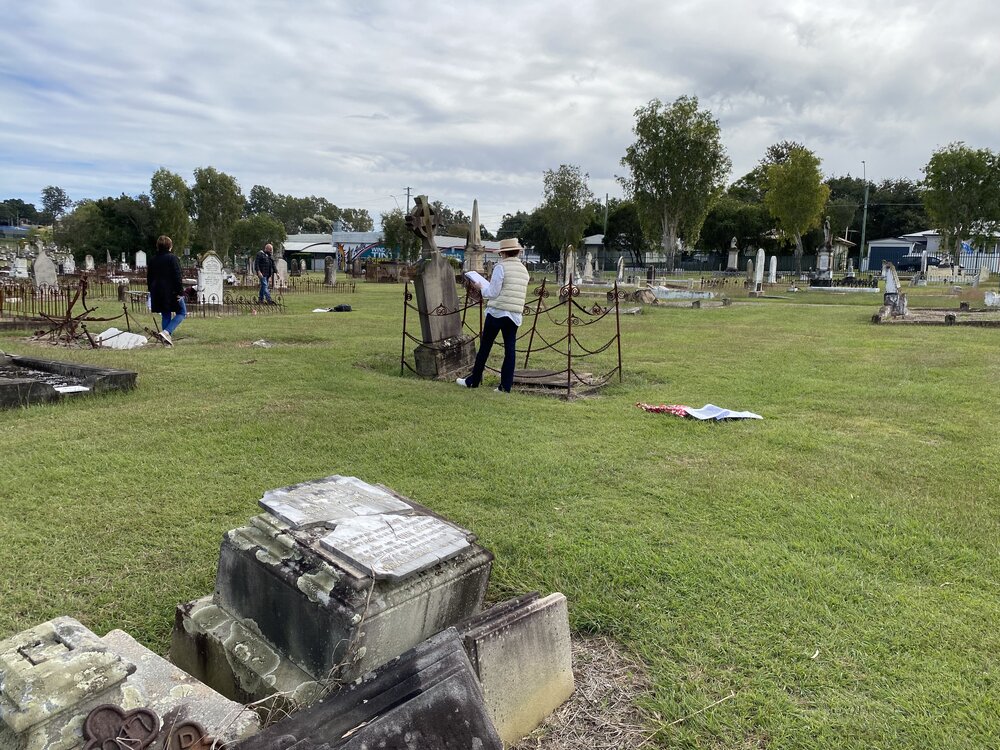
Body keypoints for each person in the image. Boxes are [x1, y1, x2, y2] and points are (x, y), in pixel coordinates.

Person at [456, 237, 530, 393]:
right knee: (510, 350)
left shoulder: (501, 267)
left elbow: (493, 292)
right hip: (514, 314)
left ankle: (473, 381)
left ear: (503, 253)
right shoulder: (524, 270)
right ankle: (505, 386)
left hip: (497, 312)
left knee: (485, 347)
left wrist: (480, 287)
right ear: (517, 252)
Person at [146, 235, 185, 346]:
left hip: (157, 291)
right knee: (182, 312)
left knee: (166, 315)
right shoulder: (172, 258)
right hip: (171, 291)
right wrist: (180, 292)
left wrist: (151, 290)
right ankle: (166, 332)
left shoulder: (153, 259)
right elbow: (177, 276)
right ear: (170, 246)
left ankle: (166, 341)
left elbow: (149, 277)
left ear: (158, 246)